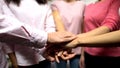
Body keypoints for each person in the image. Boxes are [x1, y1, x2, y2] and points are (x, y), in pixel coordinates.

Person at [0, 0, 76, 68]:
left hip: (46, 54)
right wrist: (12, 58)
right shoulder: (7, 2)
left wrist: (53, 47)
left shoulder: (43, 2)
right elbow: (7, 31)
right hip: (24, 57)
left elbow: (50, 26)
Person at [65, 0, 120, 68]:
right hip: (89, 54)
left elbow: (110, 24)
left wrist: (76, 39)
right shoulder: (89, 5)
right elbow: (85, 29)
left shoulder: (114, 1)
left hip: (109, 57)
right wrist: (82, 54)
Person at [50, 0, 85, 68]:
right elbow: (57, 23)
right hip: (60, 48)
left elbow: (84, 30)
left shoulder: (82, 5)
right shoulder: (55, 4)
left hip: (77, 48)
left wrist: (83, 54)